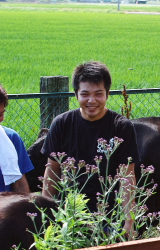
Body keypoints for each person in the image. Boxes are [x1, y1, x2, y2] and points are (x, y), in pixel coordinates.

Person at [41, 61, 139, 235]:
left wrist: (129, 220)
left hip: (110, 216)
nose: (91, 101)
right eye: (85, 94)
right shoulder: (62, 124)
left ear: (108, 94)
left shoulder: (121, 127)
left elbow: (127, 176)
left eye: (98, 94)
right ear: (76, 94)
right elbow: (52, 173)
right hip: (70, 215)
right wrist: (47, 216)